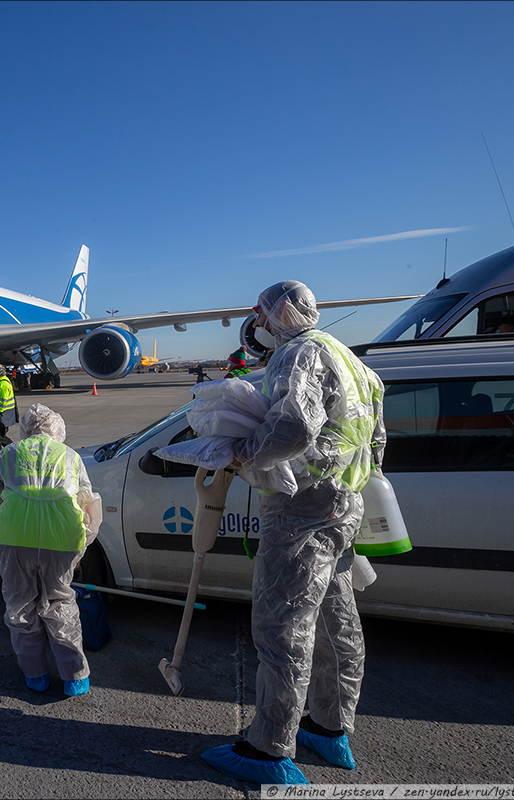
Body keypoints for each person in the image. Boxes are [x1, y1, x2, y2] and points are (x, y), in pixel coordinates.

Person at [201, 281, 386, 786]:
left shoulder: (298, 355)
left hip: (302, 509)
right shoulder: (351, 360)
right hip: (344, 504)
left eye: (259, 313)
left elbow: (295, 429)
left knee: (282, 628)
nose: (256, 323)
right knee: (334, 624)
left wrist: (242, 454)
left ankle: (268, 750)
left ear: (276, 312)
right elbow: (377, 439)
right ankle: (329, 727)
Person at [0, 403, 102, 696]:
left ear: (25, 428)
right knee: (61, 604)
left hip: (15, 539)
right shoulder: (71, 457)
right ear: (57, 428)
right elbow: (88, 503)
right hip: (61, 541)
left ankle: (35, 674)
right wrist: (82, 544)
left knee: (20, 606)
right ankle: (74, 676)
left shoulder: (8, 454)